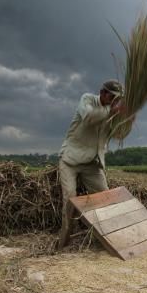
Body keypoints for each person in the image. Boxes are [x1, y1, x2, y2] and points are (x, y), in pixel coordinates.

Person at [57, 79, 128, 248]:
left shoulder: (113, 111)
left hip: (92, 162)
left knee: (104, 196)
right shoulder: (87, 99)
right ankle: (64, 241)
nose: (114, 101)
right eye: (113, 97)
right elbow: (88, 118)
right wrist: (113, 111)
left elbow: (118, 135)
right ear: (103, 93)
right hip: (70, 160)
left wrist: (128, 120)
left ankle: (106, 236)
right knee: (70, 199)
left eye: (117, 99)